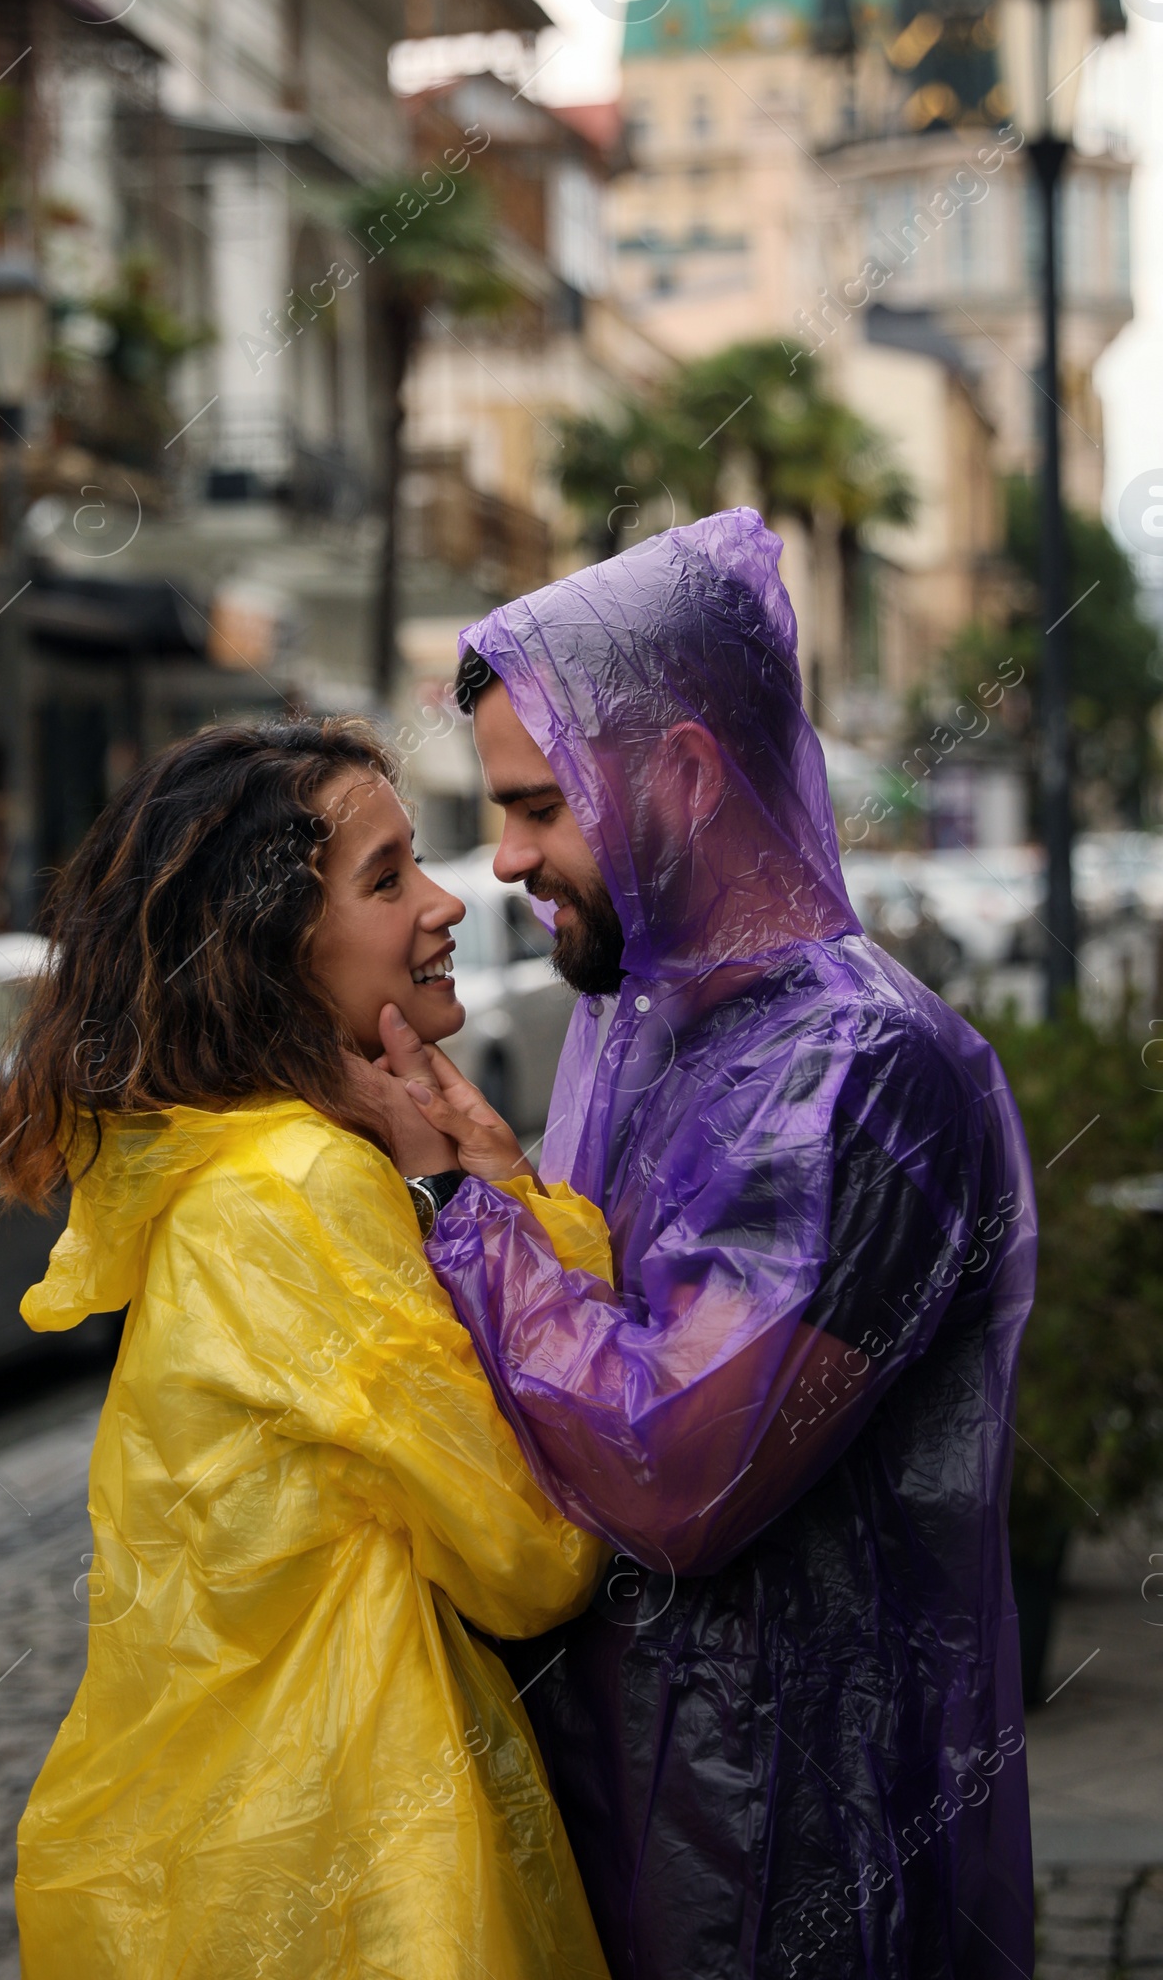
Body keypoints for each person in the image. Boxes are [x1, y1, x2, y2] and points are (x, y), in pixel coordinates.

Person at [372, 509, 1036, 1980]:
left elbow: (676, 1470)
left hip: (802, 1849)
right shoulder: (655, 1032)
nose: (503, 860)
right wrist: (494, 1177)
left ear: (678, 770)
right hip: (639, 1824)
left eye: (539, 807)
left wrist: (467, 1216)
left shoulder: (864, 1071)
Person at [0, 717, 614, 1980]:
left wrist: (489, 1181)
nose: (444, 902)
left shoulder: (236, 1161)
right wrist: (465, 1200)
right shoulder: (296, 1187)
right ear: (270, 953)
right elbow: (531, 1556)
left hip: (249, 1850)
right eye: (384, 879)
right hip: (359, 1870)